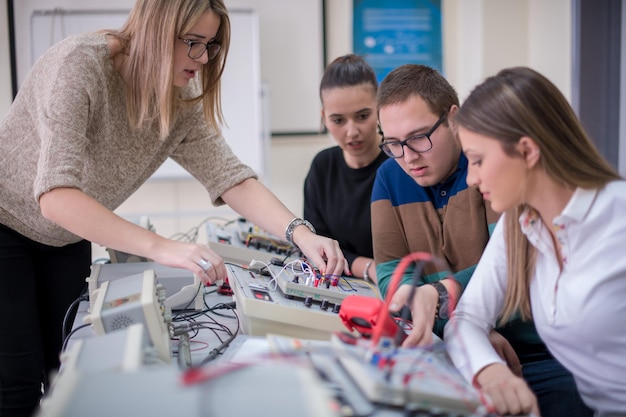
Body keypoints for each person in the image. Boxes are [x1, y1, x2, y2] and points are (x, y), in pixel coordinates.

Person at [0, 1, 347, 416]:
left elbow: (230, 177)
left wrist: (301, 233)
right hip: (6, 224)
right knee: (17, 385)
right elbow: (55, 196)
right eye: (192, 43)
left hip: (68, 236)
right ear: (155, 30)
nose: (201, 59)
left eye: (210, 46)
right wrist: (162, 248)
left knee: (66, 371)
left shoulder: (177, 101)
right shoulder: (80, 66)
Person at [372, 64, 591, 417]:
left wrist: (439, 296)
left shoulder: (507, 186)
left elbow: (517, 278)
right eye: (394, 144)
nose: (408, 156)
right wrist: (470, 340)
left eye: (418, 137)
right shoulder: (515, 220)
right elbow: (402, 284)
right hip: (460, 346)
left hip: (542, 356)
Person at [444, 66, 626, 416]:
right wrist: (490, 371)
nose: (470, 178)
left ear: (527, 151)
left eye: (478, 160)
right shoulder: (521, 224)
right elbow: (465, 319)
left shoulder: (617, 217)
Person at [303, 54, 387, 283]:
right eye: (338, 120)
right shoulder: (322, 167)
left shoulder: (400, 164)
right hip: (342, 286)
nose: (352, 132)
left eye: (362, 116)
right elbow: (315, 247)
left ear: (379, 108)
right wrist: (369, 268)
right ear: (324, 118)